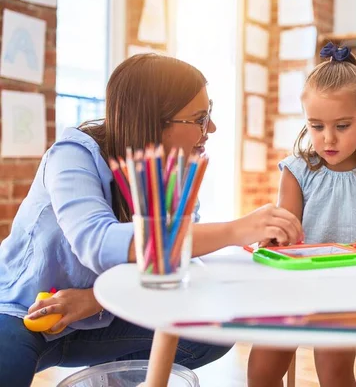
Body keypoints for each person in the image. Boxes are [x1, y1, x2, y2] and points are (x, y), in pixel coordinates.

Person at [0, 53, 303, 386]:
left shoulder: (172, 175)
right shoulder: (72, 155)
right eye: (200, 118)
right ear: (153, 122)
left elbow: (172, 264)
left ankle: (120, 378)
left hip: (96, 318)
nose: (211, 128)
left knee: (209, 332)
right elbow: (98, 242)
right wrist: (236, 230)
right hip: (20, 312)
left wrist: (95, 300)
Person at [247, 42, 356, 387]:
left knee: (335, 370)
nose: (328, 139)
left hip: (349, 288)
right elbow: (288, 224)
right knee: (262, 367)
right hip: (295, 285)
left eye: (341, 126)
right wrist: (277, 233)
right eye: (317, 126)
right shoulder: (296, 170)